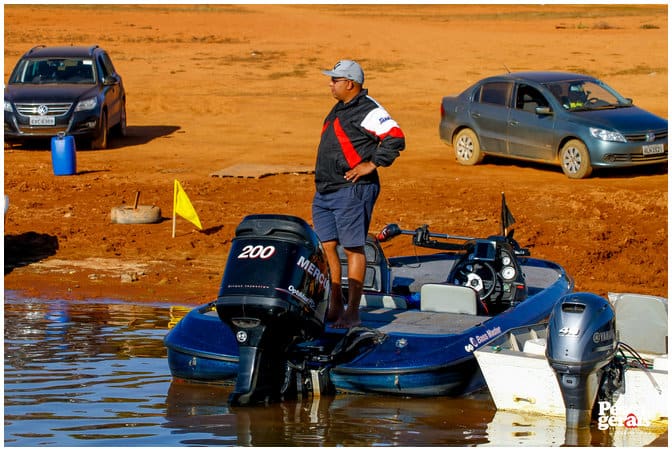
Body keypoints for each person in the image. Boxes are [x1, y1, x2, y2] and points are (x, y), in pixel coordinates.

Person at [312, 59, 405, 328]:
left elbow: (395, 137)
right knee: (327, 247)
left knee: (353, 248)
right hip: (326, 190)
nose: (330, 84)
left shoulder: (369, 109)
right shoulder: (339, 108)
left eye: (335, 80)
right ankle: (334, 305)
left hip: (353, 190)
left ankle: (352, 312)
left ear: (350, 84)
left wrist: (372, 164)